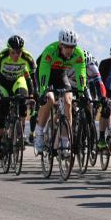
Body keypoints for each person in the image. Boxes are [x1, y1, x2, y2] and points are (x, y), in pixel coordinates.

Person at [33, 29, 86, 157]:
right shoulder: (51, 51)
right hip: (45, 74)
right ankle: (39, 133)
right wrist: (43, 91)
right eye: (66, 47)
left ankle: (65, 143)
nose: (69, 50)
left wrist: (81, 92)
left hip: (61, 75)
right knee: (50, 99)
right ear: (60, 45)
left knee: (68, 102)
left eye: (72, 47)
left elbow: (81, 74)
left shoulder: (78, 54)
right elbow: (44, 73)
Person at [0, 35, 36, 159]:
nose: (16, 55)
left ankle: (19, 134)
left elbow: (33, 77)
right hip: (4, 82)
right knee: (2, 108)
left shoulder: (27, 57)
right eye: (13, 52)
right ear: (8, 50)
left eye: (19, 52)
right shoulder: (1, 56)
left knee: (23, 100)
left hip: (18, 80)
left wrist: (34, 94)